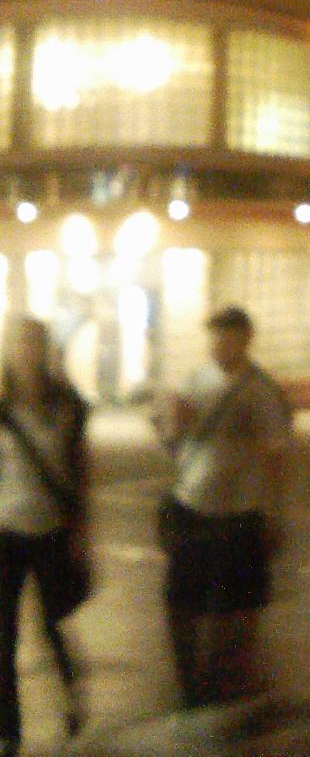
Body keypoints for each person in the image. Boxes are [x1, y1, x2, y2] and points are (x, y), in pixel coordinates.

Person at [155, 305, 292, 708]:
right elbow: (173, 442)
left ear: (246, 339)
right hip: (191, 505)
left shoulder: (261, 389)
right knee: (180, 603)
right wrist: (170, 424)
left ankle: (226, 684)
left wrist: (273, 512)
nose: (218, 345)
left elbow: (276, 455)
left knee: (234, 608)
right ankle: (189, 686)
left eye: (227, 337)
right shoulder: (196, 380)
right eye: (214, 337)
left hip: (239, 514)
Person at [0, 316, 89, 756]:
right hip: (6, 534)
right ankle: (8, 730)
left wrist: (82, 533)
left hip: (52, 531)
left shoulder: (66, 405)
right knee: (4, 635)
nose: (26, 352)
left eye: (34, 344)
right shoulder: (1, 407)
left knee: (53, 624)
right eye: (19, 344)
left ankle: (72, 694)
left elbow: (81, 469)